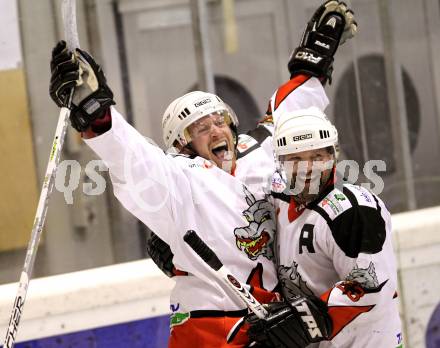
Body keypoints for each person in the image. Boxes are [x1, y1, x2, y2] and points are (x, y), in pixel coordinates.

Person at [48, 1, 356, 346]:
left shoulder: (259, 151)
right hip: (212, 329)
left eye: (219, 120)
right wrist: (97, 113)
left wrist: (312, 60)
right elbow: (133, 159)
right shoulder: (180, 178)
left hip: (275, 324)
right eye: (199, 128)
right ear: (182, 145)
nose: (215, 131)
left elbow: (288, 112)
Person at [243, 107, 403, 347]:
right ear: (280, 163)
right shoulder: (278, 196)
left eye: (317, 157)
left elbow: (372, 286)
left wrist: (301, 321)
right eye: (296, 159)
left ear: (334, 155)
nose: (307, 169)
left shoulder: (353, 211)